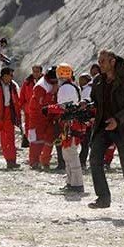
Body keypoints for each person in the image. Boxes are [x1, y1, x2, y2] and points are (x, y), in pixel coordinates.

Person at [88, 50, 124, 215]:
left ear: (112, 62)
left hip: (123, 128)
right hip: (103, 127)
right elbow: (94, 101)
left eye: (103, 61)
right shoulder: (98, 81)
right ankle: (103, 198)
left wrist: (117, 119)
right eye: (99, 61)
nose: (100, 64)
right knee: (94, 159)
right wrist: (85, 104)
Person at [45, 63, 85, 194]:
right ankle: (71, 182)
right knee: (67, 154)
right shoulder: (72, 86)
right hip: (71, 124)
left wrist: (49, 109)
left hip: (70, 125)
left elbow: (64, 107)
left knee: (70, 154)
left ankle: (77, 184)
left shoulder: (65, 88)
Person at [28, 67, 58, 170]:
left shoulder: (53, 83)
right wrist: (52, 93)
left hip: (49, 116)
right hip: (38, 117)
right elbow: (42, 103)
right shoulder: (40, 86)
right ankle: (34, 162)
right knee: (36, 140)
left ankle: (45, 161)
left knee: (49, 139)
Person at [20, 65, 43, 145]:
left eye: (37, 72)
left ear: (41, 72)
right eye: (34, 72)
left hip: (41, 110)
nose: (35, 73)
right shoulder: (27, 82)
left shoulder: (45, 82)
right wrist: (23, 106)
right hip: (28, 110)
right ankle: (31, 142)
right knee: (29, 127)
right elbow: (22, 95)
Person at [78, 72, 94, 169]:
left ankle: (82, 161)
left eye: (82, 79)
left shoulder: (87, 90)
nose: (80, 81)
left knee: (85, 142)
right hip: (85, 118)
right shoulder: (83, 89)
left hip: (86, 119)